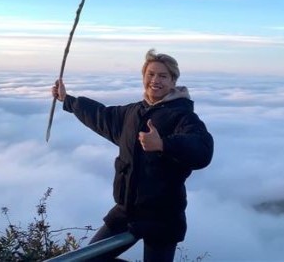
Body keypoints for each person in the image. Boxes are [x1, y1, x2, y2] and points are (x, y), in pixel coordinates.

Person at [51, 49, 214, 262]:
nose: (155, 80)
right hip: (126, 211)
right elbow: (101, 116)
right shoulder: (133, 112)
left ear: (173, 81)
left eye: (163, 76)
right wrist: (67, 100)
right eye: (151, 74)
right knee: (88, 259)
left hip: (163, 217)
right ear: (144, 77)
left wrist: (163, 144)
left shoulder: (183, 116)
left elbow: (202, 151)